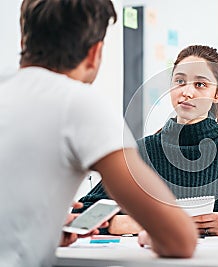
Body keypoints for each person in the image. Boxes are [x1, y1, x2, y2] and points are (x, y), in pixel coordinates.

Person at [0, 1, 197, 266]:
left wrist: (42, 231)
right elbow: (180, 239)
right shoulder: (79, 103)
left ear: (24, 36)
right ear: (95, 53)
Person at [76, 45, 218, 237]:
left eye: (200, 84)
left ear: (217, 94)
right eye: (180, 81)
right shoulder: (142, 151)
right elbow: (84, 215)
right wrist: (139, 223)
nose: (187, 92)